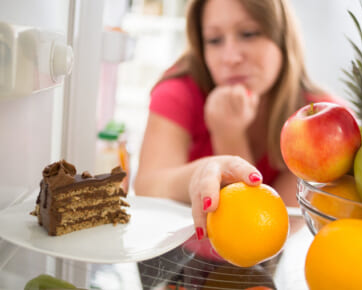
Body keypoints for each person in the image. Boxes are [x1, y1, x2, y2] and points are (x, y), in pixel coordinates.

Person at [134, 0, 343, 240]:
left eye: (248, 34)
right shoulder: (178, 91)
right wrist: (198, 176)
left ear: (282, 37)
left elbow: (261, 234)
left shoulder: (322, 121)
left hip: (262, 269)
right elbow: (147, 189)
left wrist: (228, 135)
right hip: (173, 259)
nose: (230, 57)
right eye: (214, 40)